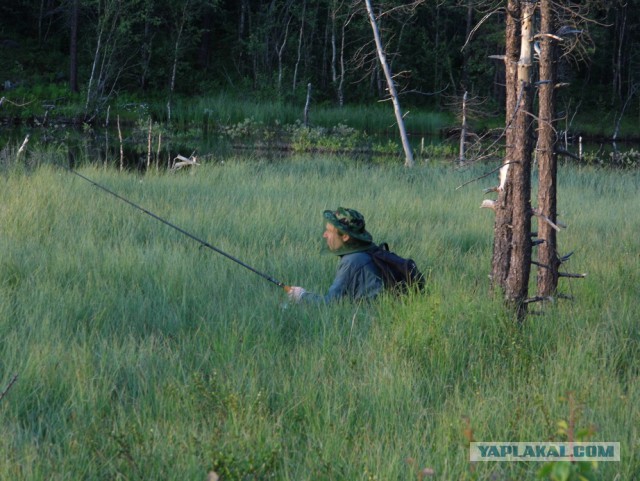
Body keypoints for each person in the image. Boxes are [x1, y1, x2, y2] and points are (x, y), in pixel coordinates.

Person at [287, 207, 383, 303]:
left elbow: (329, 303)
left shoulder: (351, 261)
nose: (324, 235)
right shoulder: (369, 250)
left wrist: (301, 295)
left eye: (329, 231)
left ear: (345, 236)